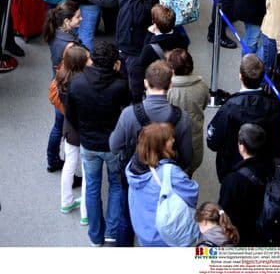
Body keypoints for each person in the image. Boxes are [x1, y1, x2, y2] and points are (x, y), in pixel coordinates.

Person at [109, 59, 193, 246]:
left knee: (126, 218)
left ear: (145, 82)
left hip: (135, 177)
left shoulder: (129, 114)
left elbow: (114, 146)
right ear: (170, 85)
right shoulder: (182, 118)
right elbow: (187, 158)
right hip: (167, 182)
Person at [65, 41, 129, 247]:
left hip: (89, 144)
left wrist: (84, 132)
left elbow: (70, 115)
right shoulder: (120, 85)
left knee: (92, 187)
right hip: (113, 145)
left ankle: (95, 235)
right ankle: (111, 233)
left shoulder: (77, 83)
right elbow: (127, 110)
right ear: (115, 63)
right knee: (116, 186)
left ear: (92, 59)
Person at [206, 54, 280, 182]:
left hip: (232, 171)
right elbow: (278, 142)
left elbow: (213, 142)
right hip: (264, 172)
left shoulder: (229, 107)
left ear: (240, 76)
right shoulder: (274, 105)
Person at [126, 121, 199, 248]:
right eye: (169, 139)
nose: (173, 140)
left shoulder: (132, 167)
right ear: (160, 145)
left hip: (143, 232)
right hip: (165, 237)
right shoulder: (169, 172)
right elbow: (192, 194)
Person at [42, 0, 85, 171]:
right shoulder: (71, 45)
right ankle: (68, 167)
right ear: (67, 21)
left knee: (58, 126)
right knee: (68, 130)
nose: (81, 19)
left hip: (57, 84)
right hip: (68, 90)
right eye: (78, 17)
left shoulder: (55, 32)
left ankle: (52, 160)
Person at [218, 123, 270, 246]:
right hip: (270, 233)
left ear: (242, 146)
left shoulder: (233, 180)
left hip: (244, 238)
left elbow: (223, 213)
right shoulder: (278, 168)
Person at [115, 0, 158, 102]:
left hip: (136, 49)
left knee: (135, 89)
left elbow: (140, 17)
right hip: (121, 44)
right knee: (122, 85)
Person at [56, 44, 89, 219]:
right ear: (80, 63)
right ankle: (85, 211)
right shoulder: (83, 84)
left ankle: (66, 201)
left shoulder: (61, 77)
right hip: (84, 130)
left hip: (69, 129)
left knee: (69, 165)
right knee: (87, 169)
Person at [166, 48, 210, 175]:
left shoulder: (167, 90)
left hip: (172, 145)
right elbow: (204, 105)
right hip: (194, 143)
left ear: (172, 69)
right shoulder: (202, 86)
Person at [139, 4, 190, 74]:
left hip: (160, 78)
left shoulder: (149, 49)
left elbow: (142, 64)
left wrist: (149, 34)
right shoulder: (182, 40)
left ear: (154, 23)